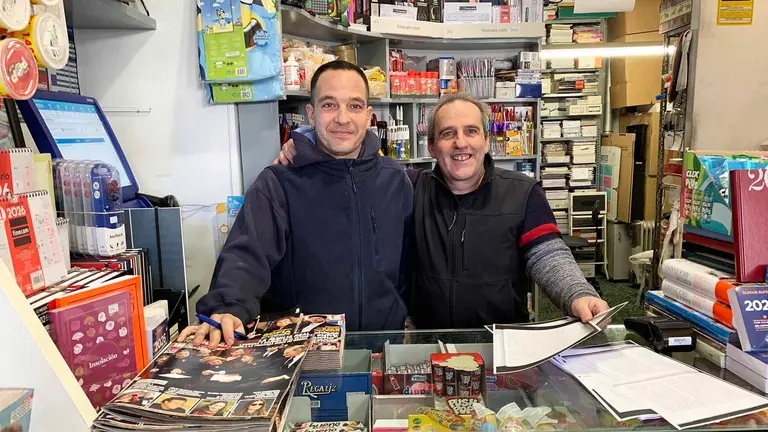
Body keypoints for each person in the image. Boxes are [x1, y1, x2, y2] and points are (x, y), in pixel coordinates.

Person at [276, 92, 608, 327]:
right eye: (448, 134)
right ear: (432, 146)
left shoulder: (522, 193)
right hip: (427, 344)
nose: (461, 143)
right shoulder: (409, 188)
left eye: (471, 131)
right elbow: (352, 162)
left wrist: (578, 295)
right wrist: (304, 144)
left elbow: (548, 255)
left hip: (501, 344)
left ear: (486, 141)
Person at [180, 60, 413, 346]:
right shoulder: (277, 184)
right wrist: (229, 307)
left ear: (368, 116)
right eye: (329, 105)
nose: (342, 118)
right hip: (302, 358)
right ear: (311, 115)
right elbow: (246, 256)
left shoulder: (396, 180)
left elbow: (411, 266)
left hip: (383, 351)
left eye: (354, 106)